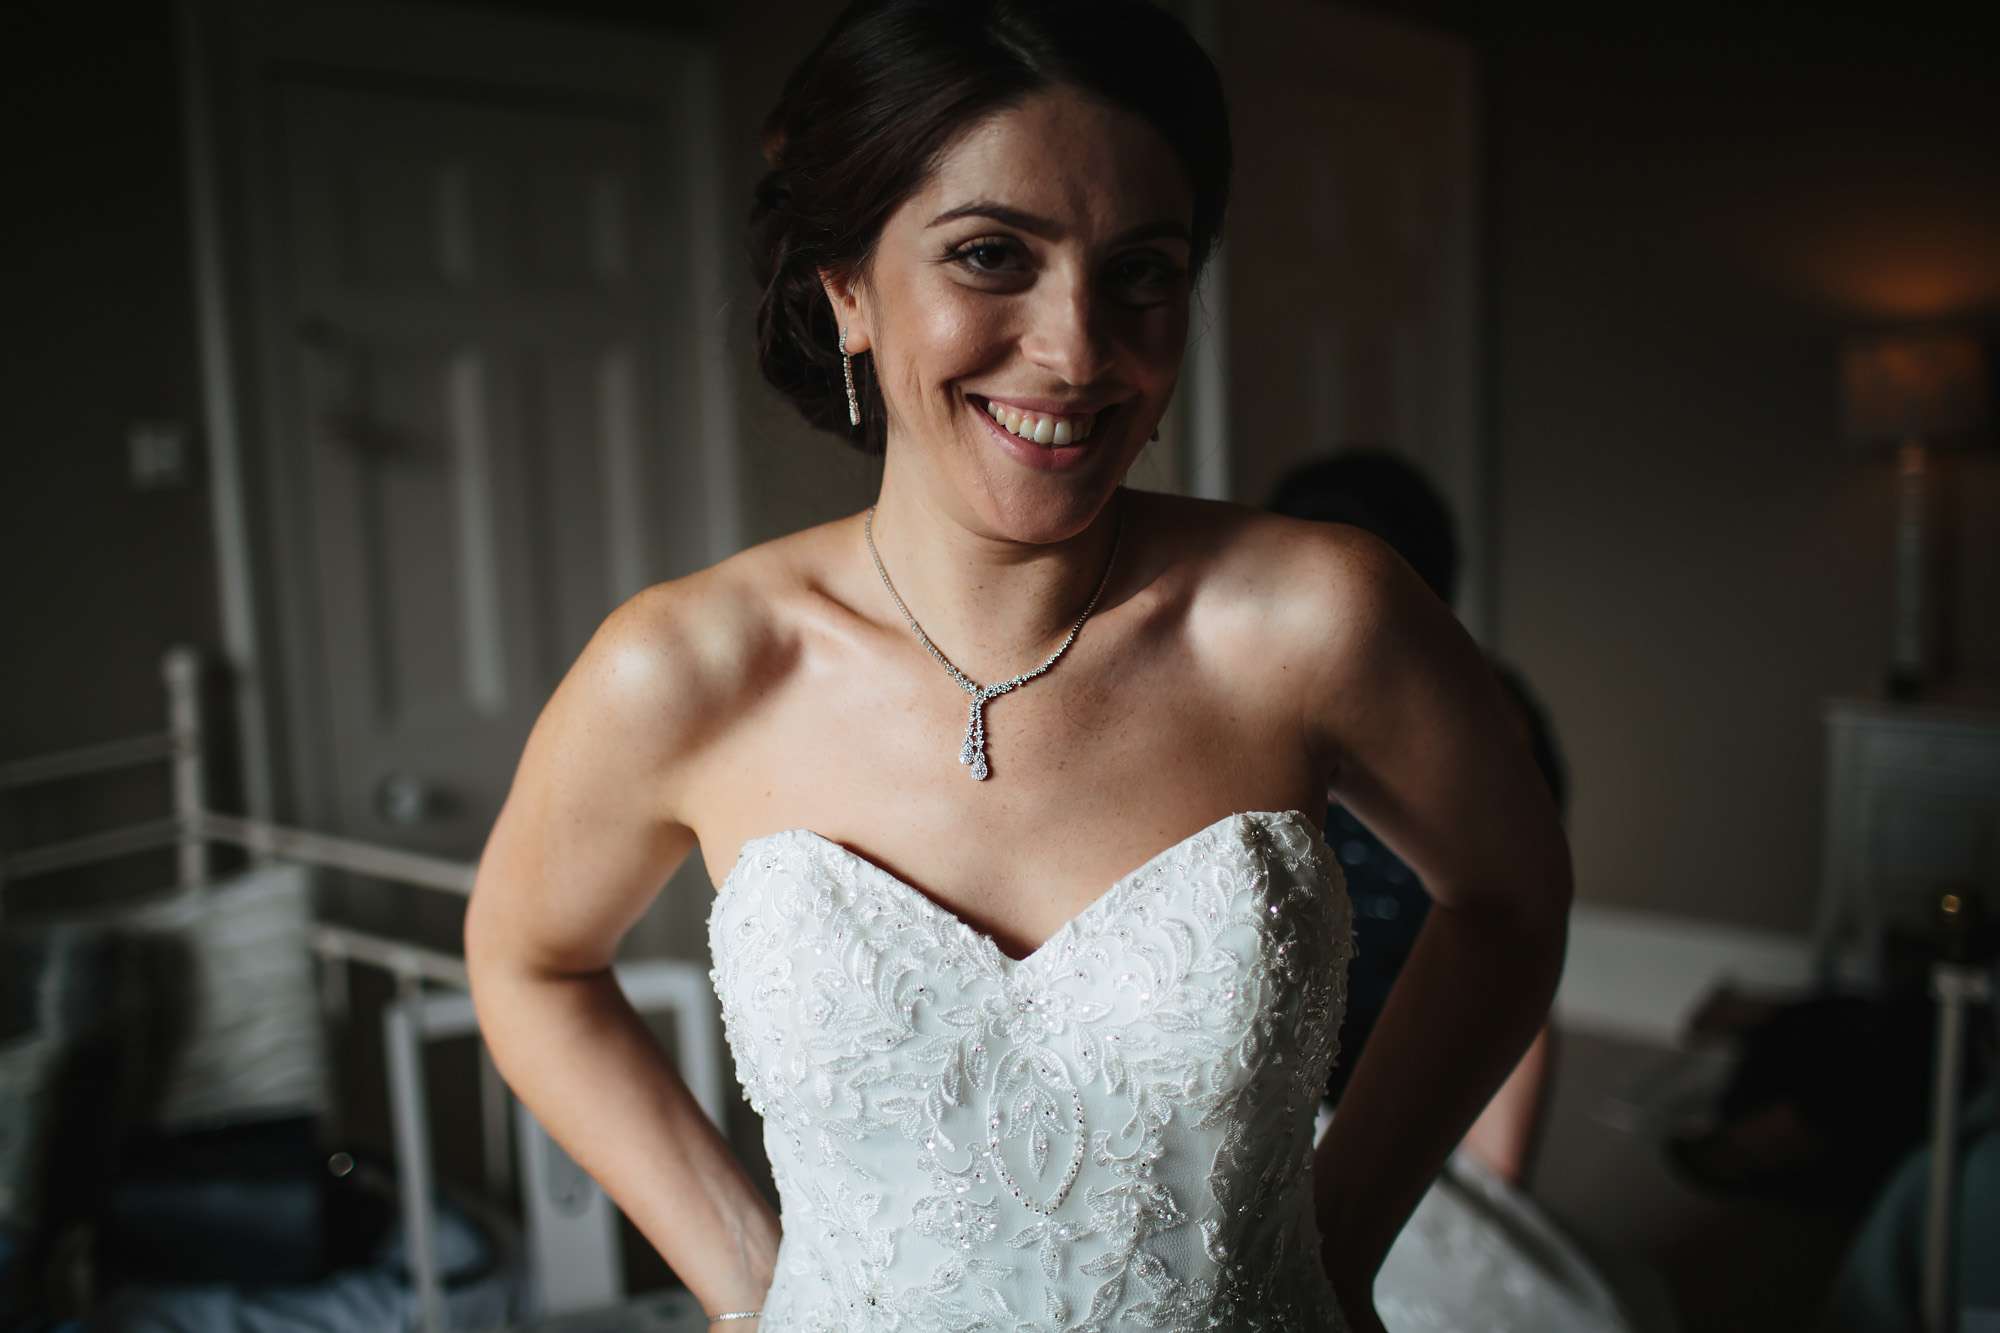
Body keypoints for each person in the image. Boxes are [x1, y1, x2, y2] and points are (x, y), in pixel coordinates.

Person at [462, 3, 1570, 1330]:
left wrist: (1342, 1230)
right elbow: (525, 961)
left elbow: (1512, 901)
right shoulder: (690, 668)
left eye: (1143, 273)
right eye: (994, 255)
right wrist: (750, 1279)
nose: (1078, 350)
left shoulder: (1320, 620)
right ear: (847, 287)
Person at [1268, 451, 1566, 1189]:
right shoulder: (1243, 709)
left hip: (1425, 1065)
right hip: (1270, 1074)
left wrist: (1498, 1194)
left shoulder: (1496, 726)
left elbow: (1517, 949)